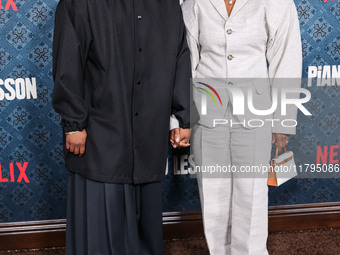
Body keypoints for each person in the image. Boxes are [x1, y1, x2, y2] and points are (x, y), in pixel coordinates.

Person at [52, 0, 198, 254]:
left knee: (146, 223)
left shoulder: (167, 6)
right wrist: (73, 125)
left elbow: (180, 59)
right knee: (101, 226)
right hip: (101, 132)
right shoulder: (80, 3)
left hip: (149, 132)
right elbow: (68, 63)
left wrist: (182, 117)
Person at [173, 0, 303, 254]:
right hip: (206, 112)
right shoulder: (194, 2)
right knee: (213, 195)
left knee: (251, 193)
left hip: (255, 113)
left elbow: (286, 58)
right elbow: (185, 59)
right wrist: (181, 118)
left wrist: (282, 121)